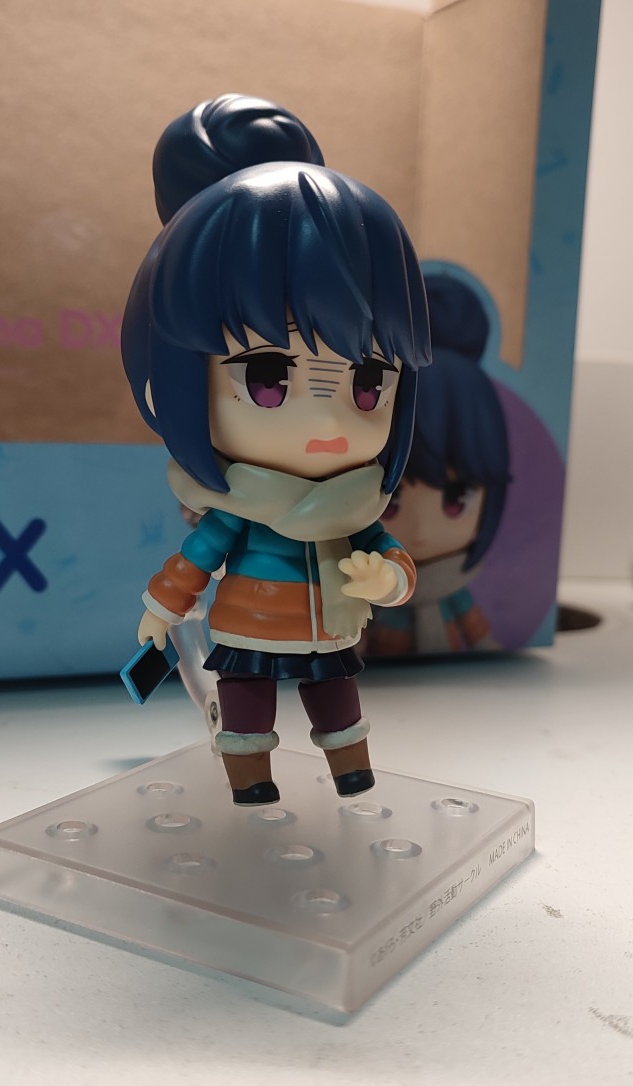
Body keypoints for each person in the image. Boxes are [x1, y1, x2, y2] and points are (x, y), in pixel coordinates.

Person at [120, 94, 431, 806]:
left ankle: (352, 772)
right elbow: (197, 559)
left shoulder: (355, 511)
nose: (326, 417)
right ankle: (252, 782)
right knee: (246, 701)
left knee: (338, 701)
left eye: (367, 382)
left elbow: (393, 559)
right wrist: (162, 609)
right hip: (247, 626)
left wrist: (387, 581)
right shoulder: (239, 508)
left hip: (332, 636)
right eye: (269, 377)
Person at [364, 272, 510, 655]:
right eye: (392, 501)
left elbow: (484, 641)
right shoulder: (374, 584)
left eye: (456, 499)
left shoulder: (454, 591)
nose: (421, 531)